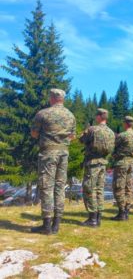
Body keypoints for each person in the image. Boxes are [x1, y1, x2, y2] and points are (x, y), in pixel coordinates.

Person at [30, 89, 76, 235]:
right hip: (64, 153)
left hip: (48, 153)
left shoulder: (43, 113)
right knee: (60, 187)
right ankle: (56, 224)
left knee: (47, 186)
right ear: (62, 99)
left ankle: (47, 225)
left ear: (52, 98)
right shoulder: (70, 115)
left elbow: (34, 133)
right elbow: (72, 137)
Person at [79, 108, 115, 227]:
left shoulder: (92, 129)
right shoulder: (111, 132)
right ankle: (98, 216)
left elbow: (82, 140)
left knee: (89, 188)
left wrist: (84, 132)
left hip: (92, 162)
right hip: (104, 162)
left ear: (99, 117)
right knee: (99, 189)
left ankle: (92, 218)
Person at [111, 116, 133, 221]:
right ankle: (127, 210)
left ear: (125, 123)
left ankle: (121, 212)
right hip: (131, 162)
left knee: (118, 186)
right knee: (129, 187)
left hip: (121, 162)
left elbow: (113, 147)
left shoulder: (122, 135)